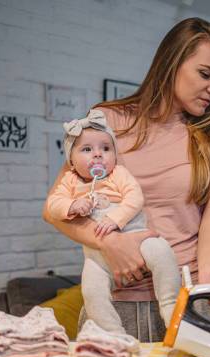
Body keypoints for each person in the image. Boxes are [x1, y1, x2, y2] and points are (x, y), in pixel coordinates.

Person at [43, 17, 210, 342]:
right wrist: (108, 242)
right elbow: (55, 209)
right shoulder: (107, 121)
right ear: (172, 62)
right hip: (112, 307)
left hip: (184, 303)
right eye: (205, 74)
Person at [46, 109, 180, 334]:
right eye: (87, 149)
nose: (98, 155)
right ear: (71, 160)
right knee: (91, 291)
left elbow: (135, 197)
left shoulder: (118, 173)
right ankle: (112, 332)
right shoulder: (70, 181)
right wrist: (71, 206)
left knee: (162, 252)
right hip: (97, 256)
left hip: (136, 238)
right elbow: (52, 206)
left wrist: (114, 219)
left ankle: (169, 303)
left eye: (105, 149)